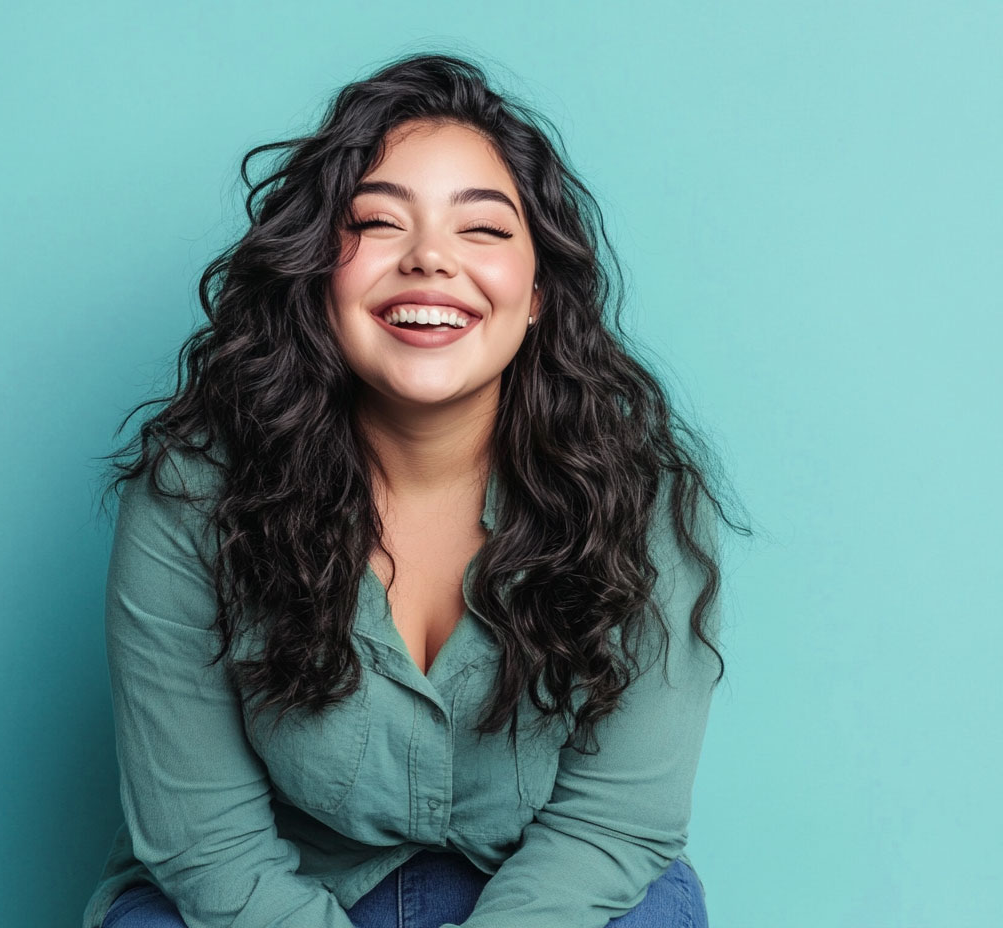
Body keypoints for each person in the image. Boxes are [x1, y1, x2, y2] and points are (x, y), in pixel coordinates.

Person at [82, 52, 747, 928]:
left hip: (540, 897)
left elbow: (613, 823)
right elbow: (207, 844)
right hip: (271, 898)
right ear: (319, 271)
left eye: (482, 230)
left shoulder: (645, 501)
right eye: (379, 223)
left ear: (540, 290)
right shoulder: (191, 495)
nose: (431, 260)